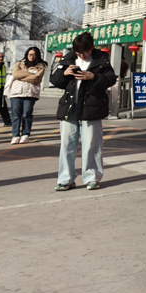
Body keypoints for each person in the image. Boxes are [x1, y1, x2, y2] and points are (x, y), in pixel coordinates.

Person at [51, 32, 117, 191]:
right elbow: (54, 80)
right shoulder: (68, 59)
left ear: (91, 47)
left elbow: (111, 79)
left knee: (91, 145)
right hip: (69, 108)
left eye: (84, 52)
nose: (81, 55)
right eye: (78, 52)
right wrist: (64, 73)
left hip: (91, 108)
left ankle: (92, 177)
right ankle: (65, 179)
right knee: (67, 145)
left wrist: (93, 77)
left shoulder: (101, 59)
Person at [6, 48, 47, 144]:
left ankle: (25, 134)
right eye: (29, 54)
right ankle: (15, 135)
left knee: (27, 114)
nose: (31, 56)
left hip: (30, 93)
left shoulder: (41, 66)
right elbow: (15, 74)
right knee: (16, 115)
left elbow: (36, 79)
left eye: (33, 54)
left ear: (37, 55)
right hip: (16, 92)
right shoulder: (19, 63)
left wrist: (22, 76)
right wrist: (30, 74)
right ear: (26, 54)